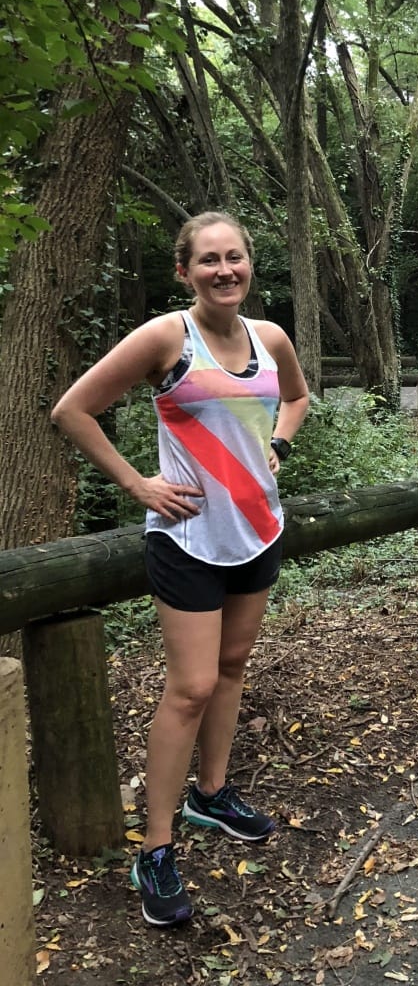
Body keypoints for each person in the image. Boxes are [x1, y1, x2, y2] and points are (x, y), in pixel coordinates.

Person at [51, 212, 310, 928]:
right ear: (184, 271)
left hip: (258, 532)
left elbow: (296, 397)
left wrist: (280, 446)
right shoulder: (169, 337)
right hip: (188, 539)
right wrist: (138, 484)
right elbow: (72, 411)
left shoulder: (270, 337)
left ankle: (212, 794)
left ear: (249, 262)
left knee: (231, 667)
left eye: (234, 257)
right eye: (208, 260)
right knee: (191, 687)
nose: (224, 270)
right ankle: (156, 848)